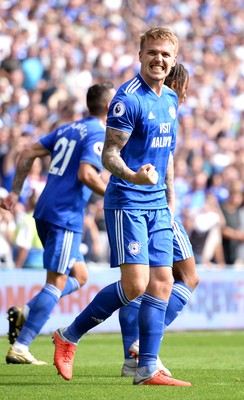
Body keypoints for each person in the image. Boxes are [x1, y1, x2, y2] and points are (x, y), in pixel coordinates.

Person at [53, 27, 192, 386]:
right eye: (152, 53)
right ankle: (68, 336)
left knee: (163, 282)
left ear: (174, 60)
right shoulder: (126, 99)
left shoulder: (171, 100)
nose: (159, 59)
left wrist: (169, 198)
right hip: (127, 200)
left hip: (157, 203)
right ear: (140, 55)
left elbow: (168, 154)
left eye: (166, 54)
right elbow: (109, 154)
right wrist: (134, 176)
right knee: (135, 286)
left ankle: (146, 367)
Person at [0, 82, 116, 364]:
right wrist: (115, 194)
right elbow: (87, 174)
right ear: (109, 107)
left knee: (80, 276)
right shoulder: (99, 133)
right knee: (57, 282)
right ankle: (21, 345)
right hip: (65, 215)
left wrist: (16, 192)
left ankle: (27, 311)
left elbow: (27, 152)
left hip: (45, 209)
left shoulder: (68, 128)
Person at [119, 63, 199, 377]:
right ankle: (140, 345)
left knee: (140, 285)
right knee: (187, 277)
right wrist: (169, 206)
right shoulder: (164, 103)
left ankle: (131, 359)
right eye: (187, 87)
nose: (187, 94)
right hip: (154, 205)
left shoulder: (161, 106)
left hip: (146, 203)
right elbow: (164, 167)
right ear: (178, 84)